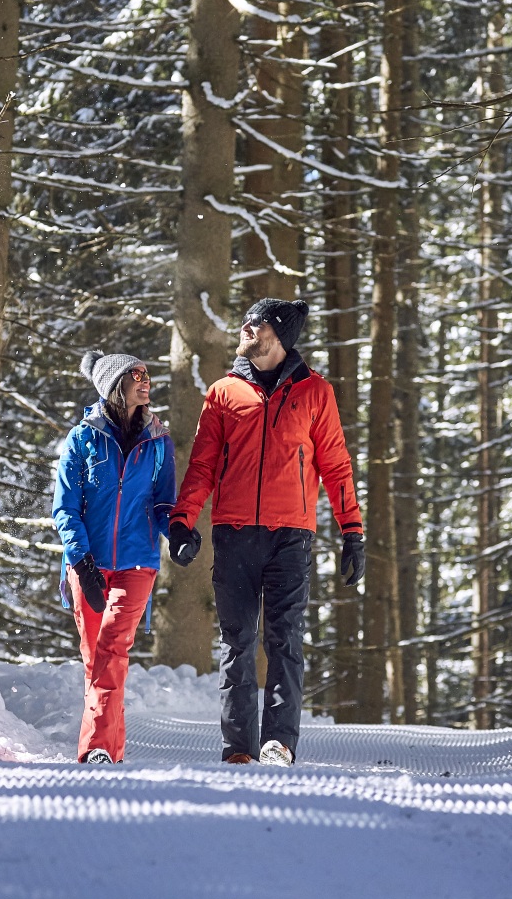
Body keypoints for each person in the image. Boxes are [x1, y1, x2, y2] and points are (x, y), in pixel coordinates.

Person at [167, 298, 365, 767]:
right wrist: (183, 519)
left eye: (256, 323)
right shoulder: (222, 393)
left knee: (285, 640)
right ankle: (239, 747)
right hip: (233, 534)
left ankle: (278, 742)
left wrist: (351, 530)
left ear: (278, 335)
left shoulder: (315, 392)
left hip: (290, 538)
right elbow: (202, 466)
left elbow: (336, 467)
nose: (246, 327)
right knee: (236, 643)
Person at [52, 350, 176, 764]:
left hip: (137, 563)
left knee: (111, 651)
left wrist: (176, 531)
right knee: (97, 662)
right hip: (87, 562)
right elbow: (65, 509)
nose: (146, 381)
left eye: (148, 373)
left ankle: (96, 751)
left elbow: (162, 504)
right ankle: (113, 752)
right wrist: (82, 561)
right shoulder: (82, 438)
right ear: (114, 384)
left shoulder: (159, 441)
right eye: (137, 374)